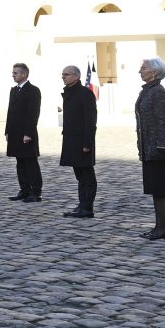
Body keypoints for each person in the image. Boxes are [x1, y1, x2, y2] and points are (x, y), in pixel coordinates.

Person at [135, 57, 165, 240]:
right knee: (155, 187)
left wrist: (161, 146)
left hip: (159, 148)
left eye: (143, 68)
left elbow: (163, 122)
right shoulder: (147, 91)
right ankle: (159, 226)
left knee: (161, 187)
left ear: (153, 72)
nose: (140, 71)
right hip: (149, 147)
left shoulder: (158, 92)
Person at [59, 65, 98, 218]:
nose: (63, 77)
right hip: (72, 140)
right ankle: (82, 204)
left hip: (82, 142)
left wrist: (87, 143)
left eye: (66, 74)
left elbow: (90, 121)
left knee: (87, 176)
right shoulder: (70, 93)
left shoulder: (85, 94)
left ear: (76, 76)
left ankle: (87, 208)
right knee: (80, 176)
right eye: (62, 74)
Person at [5, 63, 42, 203]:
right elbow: (10, 112)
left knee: (30, 163)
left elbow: (33, 114)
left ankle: (36, 192)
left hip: (26, 133)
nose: (13, 75)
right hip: (14, 133)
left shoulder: (33, 90)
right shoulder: (14, 90)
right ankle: (24, 189)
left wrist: (28, 133)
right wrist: (7, 131)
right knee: (19, 162)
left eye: (15, 73)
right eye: (13, 72)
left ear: (24, 74)